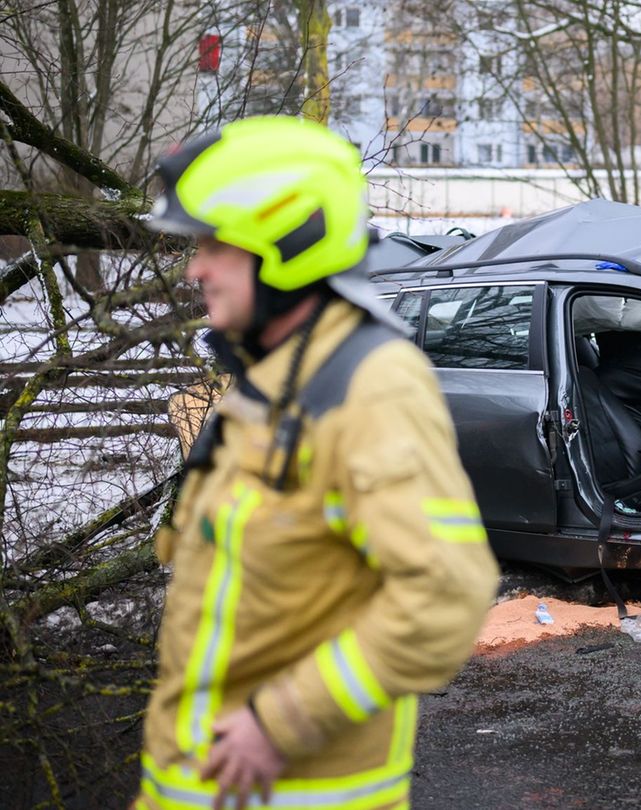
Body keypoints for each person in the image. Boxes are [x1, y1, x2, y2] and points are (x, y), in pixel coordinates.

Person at [135, 116, 499, 808]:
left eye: (214, 243)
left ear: (289, 241)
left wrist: (281, 723)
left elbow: (445, 596)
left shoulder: (370, 386)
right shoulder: (272, 377)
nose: (195, 268)